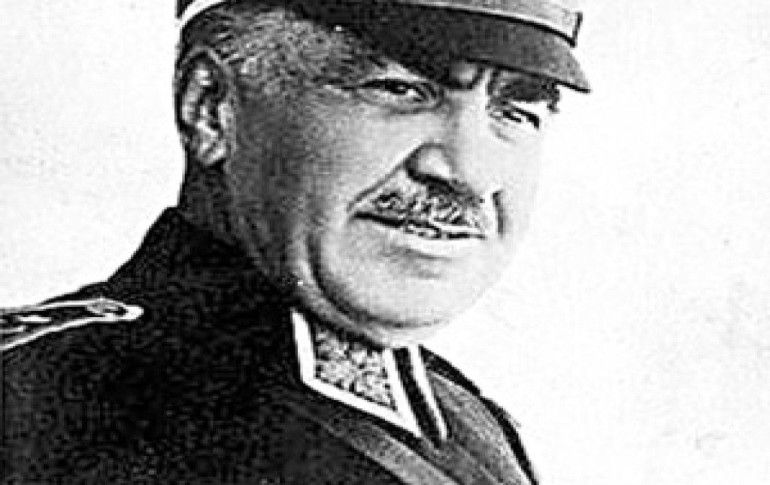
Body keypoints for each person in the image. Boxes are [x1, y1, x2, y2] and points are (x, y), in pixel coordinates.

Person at [1, 0, 590, 483]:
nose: (471, 173)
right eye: (399, 89)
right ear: (210, 108)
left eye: (517, 112)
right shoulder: (52, 398)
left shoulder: (463, 420)